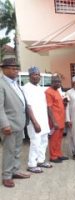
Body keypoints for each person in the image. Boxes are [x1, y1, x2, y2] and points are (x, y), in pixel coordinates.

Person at [0, 58, 30, 188]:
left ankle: (15, 171)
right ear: (4, 69)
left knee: (17, 150)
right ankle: (6, 176)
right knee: (9, 151)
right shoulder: (1, 84)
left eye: (17, 68)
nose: (16, 71)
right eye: (13, 68)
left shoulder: (15, 83)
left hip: (19, 123)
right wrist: (4, 124)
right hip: (9, 126)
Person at [23, 66, 52, 173]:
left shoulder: (40, 88)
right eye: (35, 74)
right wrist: (35, 122)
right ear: (30, 76)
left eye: (38, 74)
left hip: (43, 121)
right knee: (35, 142)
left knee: (44, 141)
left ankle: (40, 161)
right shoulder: (26, 88)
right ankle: (31, 164)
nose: (37, 76)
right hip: (34, 121)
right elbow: (28, 107)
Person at [45, 76, 69, 163]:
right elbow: (49, 107)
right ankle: (53, 156)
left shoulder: (57, 91)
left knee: (59, 138)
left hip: (61, 118)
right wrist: (54, 122)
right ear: (52, 82)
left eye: (59, 82)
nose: (58, 83)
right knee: (54, 139)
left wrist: (64, 103)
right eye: (56, 82)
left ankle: (59, 154)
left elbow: (58, 104)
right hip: (55, 120)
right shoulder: (48, 92)